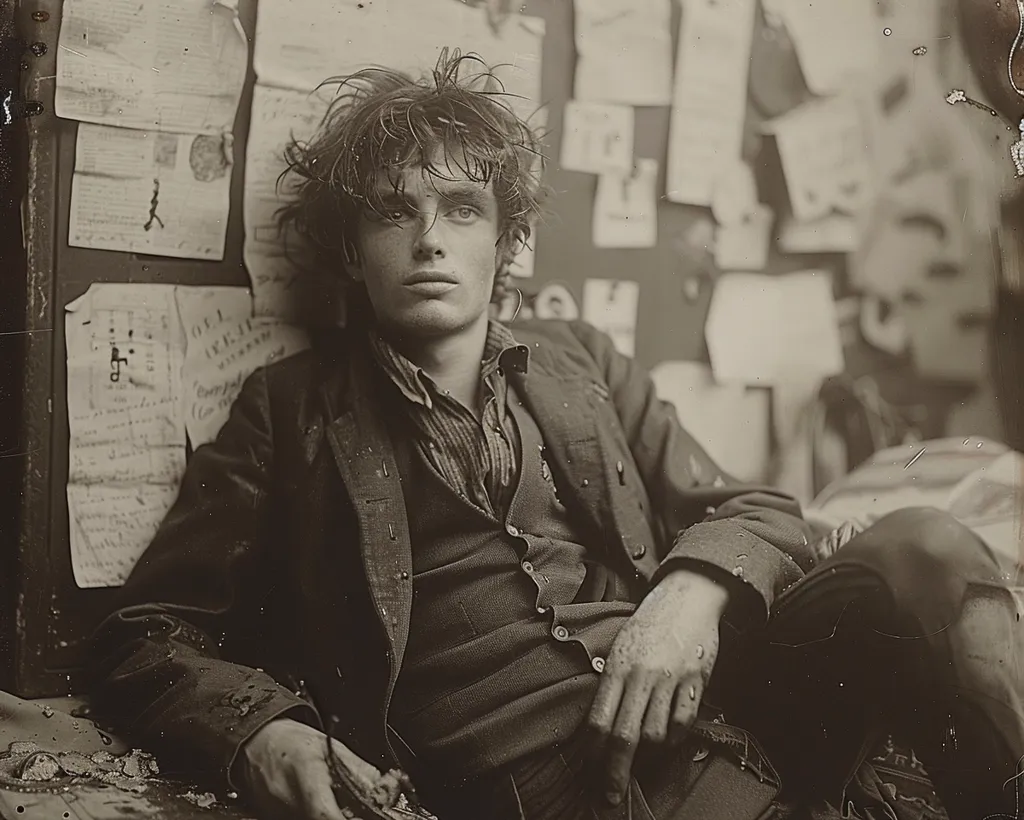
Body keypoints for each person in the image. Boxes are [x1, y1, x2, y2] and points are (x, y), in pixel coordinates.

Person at [90, 51, 1024, 820]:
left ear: (504, 241)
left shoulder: (579, 361)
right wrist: (263, 730)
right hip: (535, 790)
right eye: (394, 209)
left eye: (463, 209)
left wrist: (690, 593)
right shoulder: (286, 410)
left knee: (930, 548)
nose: (429, 239)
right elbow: (144, 636)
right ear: (349, 248)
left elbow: (758, 508)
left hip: (718, 725)